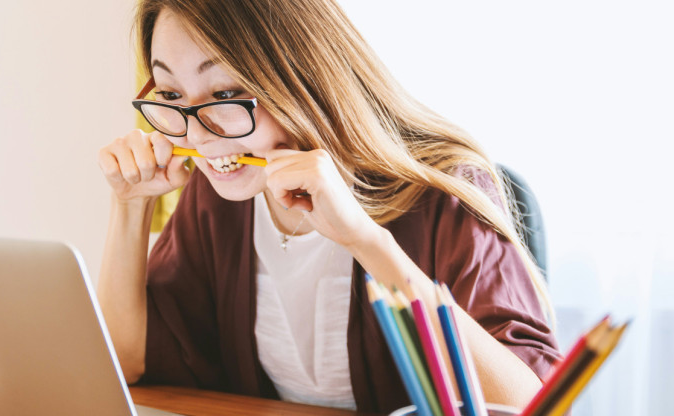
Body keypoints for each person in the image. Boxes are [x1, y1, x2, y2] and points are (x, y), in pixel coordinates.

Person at [97, 0, 561, 412]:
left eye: (225, 94)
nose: (197, 136)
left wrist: (365, 240)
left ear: (302, 77)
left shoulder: (444, 191)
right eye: (171, 95)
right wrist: (130, 206)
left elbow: (529, 404)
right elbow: (127, 361)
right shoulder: (220, 196)